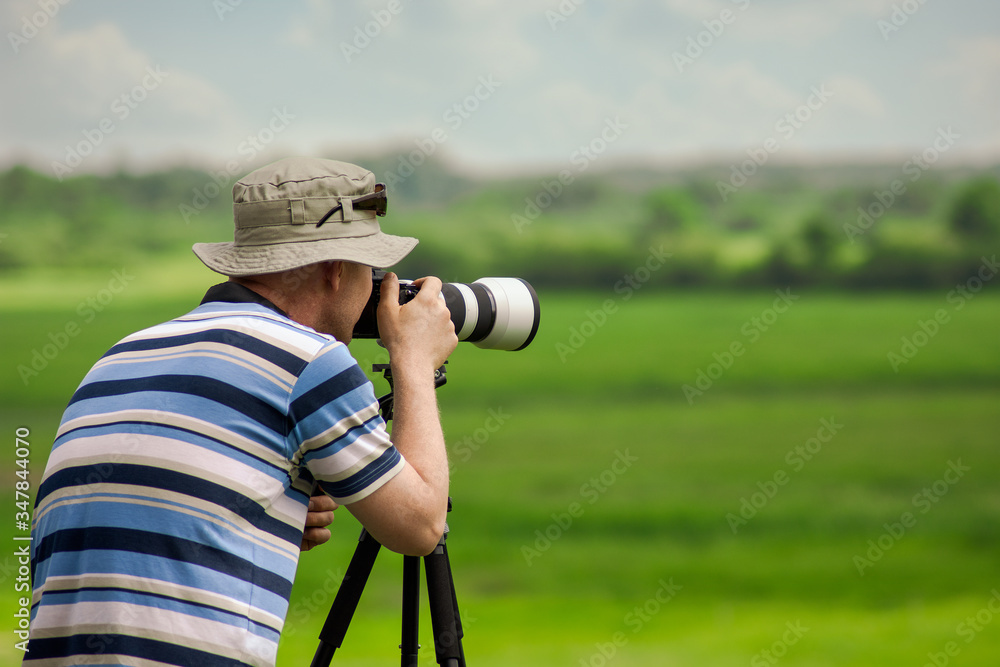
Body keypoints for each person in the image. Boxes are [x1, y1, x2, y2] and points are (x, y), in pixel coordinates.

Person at [25, 157, 458, 666]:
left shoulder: (122, 354)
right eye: (373, 271)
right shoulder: (312, 361)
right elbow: (420, 527)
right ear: (337, 271)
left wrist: (247, 512)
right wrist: (413, 360)